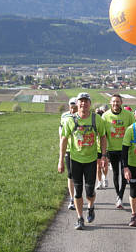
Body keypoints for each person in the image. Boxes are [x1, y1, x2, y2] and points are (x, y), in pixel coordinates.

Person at [58, 92, 107, 230]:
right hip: (75, 160)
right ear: (77, 104)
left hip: (91, 161)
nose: (83, 104)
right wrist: (61, 160)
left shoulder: (96, 119)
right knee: (78, 192)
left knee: (90, 192)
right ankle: (80, 219)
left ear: (90, 104)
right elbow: (64, 140)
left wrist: (103, 155)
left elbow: (103, 137)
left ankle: (91, 207)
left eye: (86, 101)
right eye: (81, 101)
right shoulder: (70, 120)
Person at [102, 94, 135, 208]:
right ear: (110, 103)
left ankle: (120, 196)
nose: (116, 104)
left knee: (124, 173)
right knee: (116, 173)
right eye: (114, 102)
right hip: (112, 149)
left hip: (125, 149)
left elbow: (133, 131)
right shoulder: (105, 116)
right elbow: (103, 135)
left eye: (118, 101)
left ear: (121, 102)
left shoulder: (129, 115)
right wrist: (104, 153)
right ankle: (118, 195)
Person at [59, 97, 78, 210]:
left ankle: (79, 195)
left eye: (75, 107)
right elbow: (61, 131)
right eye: (71, 107)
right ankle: (72, 198)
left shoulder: (82, 116)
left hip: (81, 150)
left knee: (79, 175)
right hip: (69, 149)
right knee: (70, 174)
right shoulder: (64, 116)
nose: (73, 109)